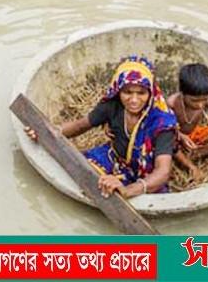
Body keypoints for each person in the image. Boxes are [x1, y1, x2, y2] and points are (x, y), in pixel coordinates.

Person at [25, 56, 178, 198]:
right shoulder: (112, 105)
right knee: (79, 171)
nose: (134, 100)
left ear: (150, 93)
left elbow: (163, 171)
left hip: (147, 175)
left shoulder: (161, 123)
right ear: (118, 91)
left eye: (141, 93)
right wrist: (47, 131)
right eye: (127, 92)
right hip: (116, 160)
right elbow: (81, 125)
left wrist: (128, 190)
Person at [166, 63, 208, 183]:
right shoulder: (172, 103)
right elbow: (165, 128)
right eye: (194, 101)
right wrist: (180, 135)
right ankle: (187, 164)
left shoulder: (201, 99)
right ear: (182, 93)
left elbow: (207, 101)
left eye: (204, 99)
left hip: (194, 134)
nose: (200, 105)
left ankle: (193, 156)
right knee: (169, 144)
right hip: (175, 137)